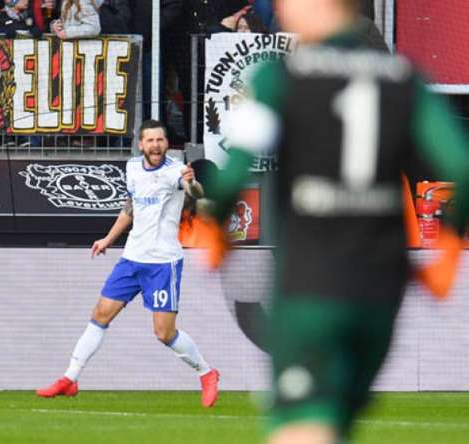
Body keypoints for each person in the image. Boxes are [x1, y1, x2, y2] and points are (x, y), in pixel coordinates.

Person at [200, 0, 469, 442]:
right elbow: (460, 168)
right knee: (333, 424)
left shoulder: (281, 78)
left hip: (312, 285)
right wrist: (447, 258)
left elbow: (233, 171)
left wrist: (214, 235)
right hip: (381, 293)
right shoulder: (406, 82)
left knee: (302, 429)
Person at [36, 119, 220, 407]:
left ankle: (207, 373)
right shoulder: (133, 168)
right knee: (101, 313)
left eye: (161, 140)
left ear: (166, 143)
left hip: (163, 262)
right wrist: (109, 238)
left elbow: (195, 192)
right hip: (132, 257)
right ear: (141, 144)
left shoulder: (175, 172)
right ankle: (70, 378)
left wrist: (193, 182)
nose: (156, 145)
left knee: (164, 333)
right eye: (150, 140)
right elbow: (131, 207)